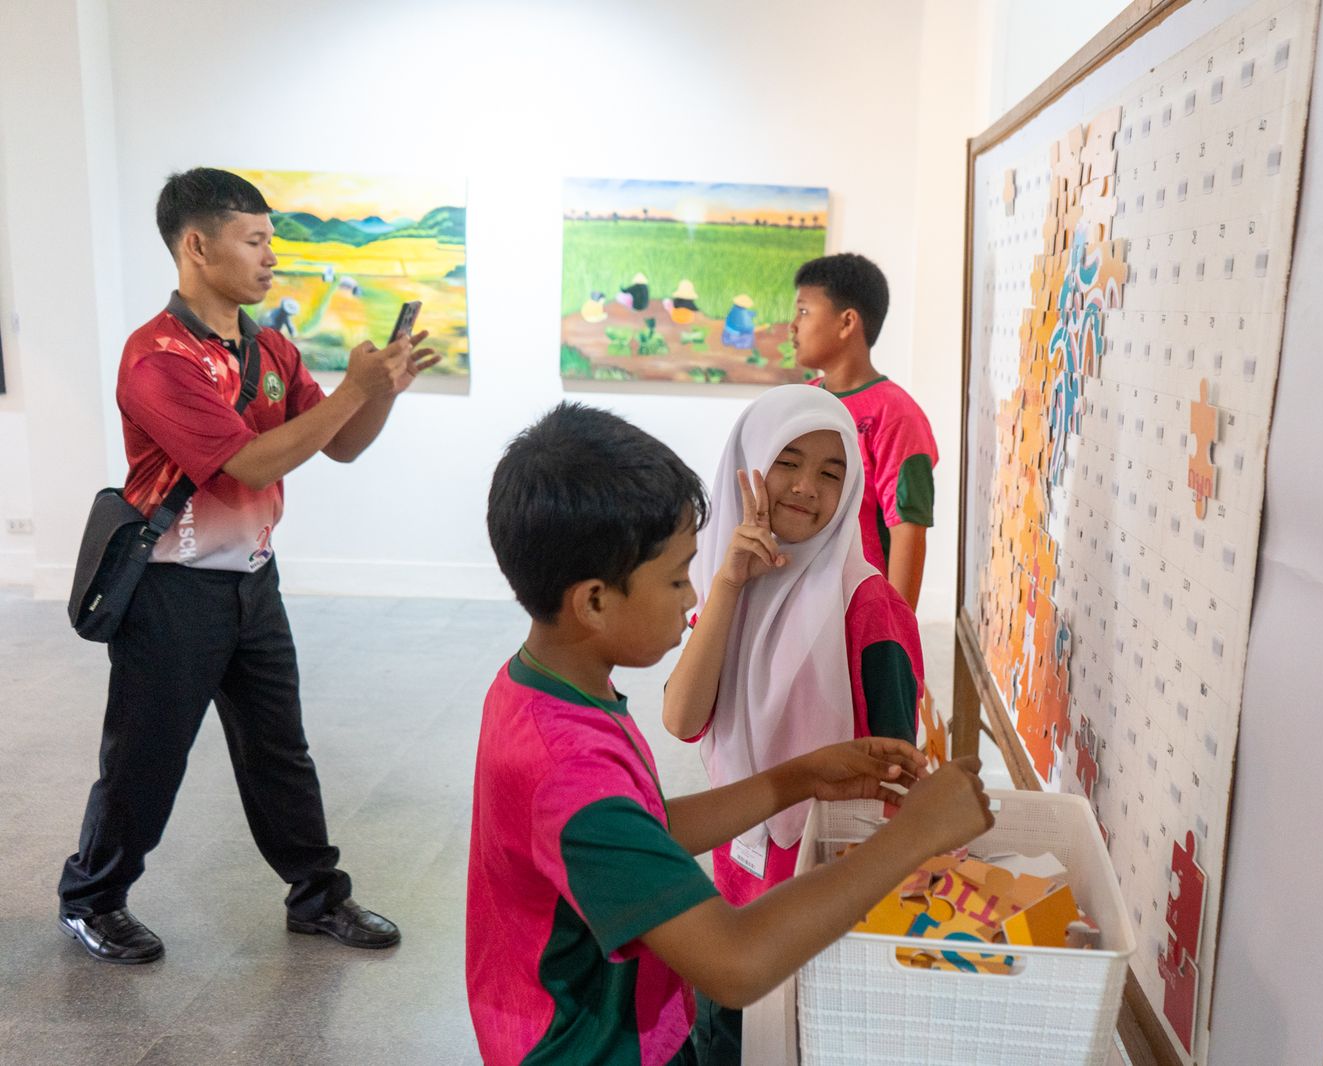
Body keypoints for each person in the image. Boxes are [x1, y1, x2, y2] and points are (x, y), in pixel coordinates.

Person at [469, 402, 992, 1066]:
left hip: (612, 1022)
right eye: (676, 578)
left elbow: (644, 827)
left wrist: (798, 777)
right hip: (598, 1047)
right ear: (595, 601)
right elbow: (737, 964)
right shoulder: (571, 769)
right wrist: (918, 834)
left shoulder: (540, 693)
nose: (692, 596)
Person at [57, 167, 436, 964]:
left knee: (279, 750)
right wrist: (355, 388)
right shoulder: (157, 358)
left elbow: (340, 444)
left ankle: (317, 895)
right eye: (255, 240)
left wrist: (383, 392)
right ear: (197, 247)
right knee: (146, 757)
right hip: (171, 588)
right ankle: (92, 899)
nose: (271, 258)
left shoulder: (270, 348)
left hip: (254, 581)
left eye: (272, 241)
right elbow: (250, 464)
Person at [660, 384, 927, 1062]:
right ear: (748, 464)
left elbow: (898, 775)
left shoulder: (870, 608)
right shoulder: (728, 586)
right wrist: (730, 585)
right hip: (736, 883)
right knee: (729, 1042)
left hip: (824, 900)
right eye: (788, 461)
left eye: (832, 473)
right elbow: (683, 719)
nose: (807, 487)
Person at [791, 253, 939, 610]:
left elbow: (907, 529)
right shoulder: (801, 401)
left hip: (858, 611)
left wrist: (894, 630)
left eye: (804, 311)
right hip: (801, 604)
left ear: (847, 322)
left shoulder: (896, 414)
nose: (792, 325)